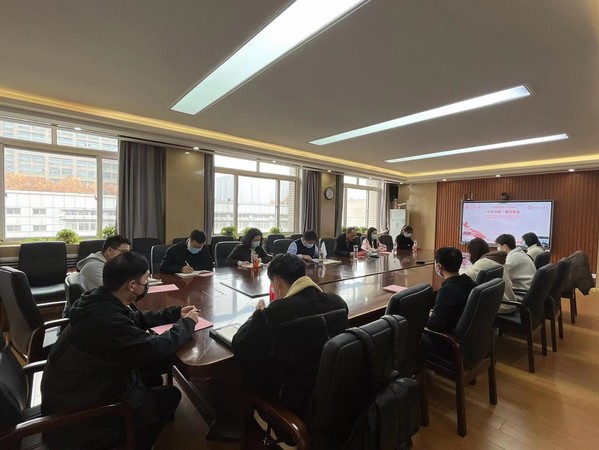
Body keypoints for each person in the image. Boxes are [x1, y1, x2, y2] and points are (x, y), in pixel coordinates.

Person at [41, 252, 200, 450]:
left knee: (154, 375)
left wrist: (175, 313)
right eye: (146, 280)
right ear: (132, 285)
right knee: (170, 395)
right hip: (78, 417)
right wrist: (187, 324)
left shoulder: (99, 299)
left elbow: (135, 319)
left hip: (78, 389)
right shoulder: (107, 320)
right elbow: (153, 348)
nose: (147, 284)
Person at [232, 253, 349, 420]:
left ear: (277, 282)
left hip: (294, 405)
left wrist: (256, 315)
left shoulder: (273, 314)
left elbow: (241, 346)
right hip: (335, 399)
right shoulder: (338, 302)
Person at [427, 246, 477, 333]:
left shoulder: (447, 290)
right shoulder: (469, 282)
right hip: (466, 331)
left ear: (438, 266)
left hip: (444, 337)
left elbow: (435, 325)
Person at [461, 238, 517, 313]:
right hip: (508, 302)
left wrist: (460, 268)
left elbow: (465, 276)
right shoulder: (496, 260)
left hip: (501, 305)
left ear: (474, 252)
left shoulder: (484, 262)